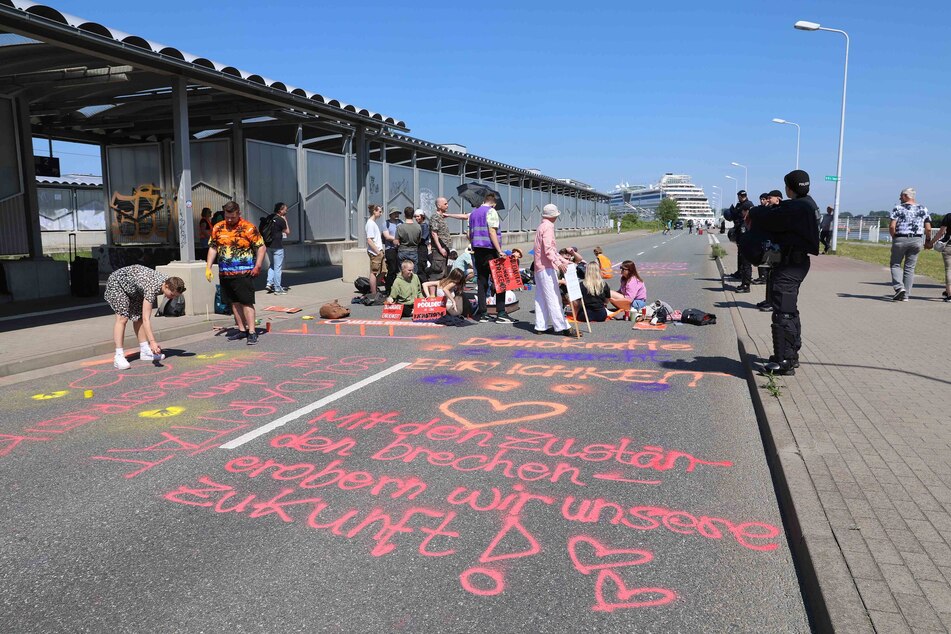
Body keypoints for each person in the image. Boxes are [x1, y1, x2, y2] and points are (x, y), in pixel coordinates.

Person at [749, 170, 819, 375]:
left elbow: (770, 219)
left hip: (791, 265)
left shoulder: (798, 207)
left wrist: (757, 211)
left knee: (783, 312)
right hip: (796, 263)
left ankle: (785, 360)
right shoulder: (808, 204)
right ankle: (790, 353)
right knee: (789, 309)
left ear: (790, 187)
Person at [205, 200, 266, 345]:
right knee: (234, 302)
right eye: (227, 216)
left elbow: (261, 247)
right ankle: (241, 330)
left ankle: (251, 331)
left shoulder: (248, 228)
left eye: (232, 216)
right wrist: (208, 267)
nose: (230, 219)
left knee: (246, 302)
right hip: (225, 273)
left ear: (239, 213)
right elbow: (213, 247)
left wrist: (258, 265)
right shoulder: (218, 227)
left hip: (244, 272)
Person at [444, 193, 511, 323]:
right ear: (494, 203)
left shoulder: (474, 214)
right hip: (490, 250)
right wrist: (499, 250)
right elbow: (492, 231)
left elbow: (469, 235)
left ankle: (483, 313)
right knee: (499, 280)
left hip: (477, 251)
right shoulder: (491, 212)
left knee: (482, 281)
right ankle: (501, 313)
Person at [105, 265, 185, 369]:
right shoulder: (152, 288)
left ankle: (144, 350)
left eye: (175, 296)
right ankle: (118, 356)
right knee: (122, 318)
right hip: (118, 283)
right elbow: (147, 319)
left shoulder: (170, 282)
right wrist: (152, 342)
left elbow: (143, 318)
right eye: (172, 294)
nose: (172, 298)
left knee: (139, 317)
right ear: (166, 286)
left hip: (134, 288)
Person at [533, 204, 573, 336]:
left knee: (541, 297)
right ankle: (563, 326)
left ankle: (540, 325)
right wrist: (558, 262)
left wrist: (563, 260)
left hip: (539, 266)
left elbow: (549, 250)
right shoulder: (549, 227)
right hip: (547, 267)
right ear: (553, 216)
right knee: (554, 297)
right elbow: (549, 249)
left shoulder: (541, 226)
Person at [888, 187, 932, 302]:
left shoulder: (898, 208)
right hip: (916, 240)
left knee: (895, 264)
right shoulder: (923, 208)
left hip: (900, 238)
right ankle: (906, 295)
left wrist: (894, 237)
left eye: (901, 196)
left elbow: (892, 226)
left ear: (906, 196)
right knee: (909, 268)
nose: (899, 198)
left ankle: (899, 287)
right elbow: (928, 228)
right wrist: (928, 240)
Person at [755, 190, 784, 311]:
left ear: (777, 198)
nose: (767, 200)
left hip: (776, 248)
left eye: (769, 198)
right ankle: (768, 300)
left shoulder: (781, 210)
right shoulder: (770, 209)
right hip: (770, 246)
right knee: (769, 275)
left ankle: (772, 303)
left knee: (774, 276)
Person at [724, 190, 754, 292]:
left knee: (746, 263)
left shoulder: (747, 220)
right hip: (742, 238)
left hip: (746, 241)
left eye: (744, 195)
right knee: (742, 259)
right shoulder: (740, 209)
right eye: (741, 195)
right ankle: (743, 280)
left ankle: (746, 285)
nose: (741, 212)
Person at [265, 202, 290, 295]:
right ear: (280, 210)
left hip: (269, 245)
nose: (286, 211)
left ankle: (269, 283)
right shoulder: (280, 220)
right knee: (278, 267)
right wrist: (285, 220)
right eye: (285, 210)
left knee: (272, 265)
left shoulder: (270, 218)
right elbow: (287, 231)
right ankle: (277, 288)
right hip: (278, 247)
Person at [927, 210, 951, 302]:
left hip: (949, 245)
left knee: (949, 269)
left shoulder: (948, 216)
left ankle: (949, 294)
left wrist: (931, 243)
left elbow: (941, 232)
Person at [365, 204, 385, 297]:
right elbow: (369, 240)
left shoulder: (373, 223)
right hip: (375, 252)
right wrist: (377, 252)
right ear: (374, 211)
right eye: (379, 211)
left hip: (379, 251)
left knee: (384, 271)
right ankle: (373, 292)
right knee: (374, 272)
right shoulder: (370, 223)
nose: (381, 213)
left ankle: (374, 288)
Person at [429, 197, 452, 280]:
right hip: (439, 251)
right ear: (439, 205)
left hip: (444, 249)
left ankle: (439, 292)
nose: (447, 206)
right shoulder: (435, 217)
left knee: (443, 273)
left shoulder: (441, 217)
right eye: (445, 204)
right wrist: (440, 248)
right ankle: (432, 292)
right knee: (437, 273)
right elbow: (434, 233)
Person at [395, 206, 421, 274]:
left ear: (404, 215)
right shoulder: (418, 227)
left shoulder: (400, 227)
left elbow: (396, 242)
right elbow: (419, 240)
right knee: (413, 272)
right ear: (413, 215)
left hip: (402, 251)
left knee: (402, 272)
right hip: (414, 250)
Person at [383, 207, 402, 292]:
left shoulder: (401, 223)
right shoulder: (386, 223)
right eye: (395, 213)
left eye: (398, 213)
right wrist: (395, 239)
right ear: (390, 214)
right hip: (390, 249)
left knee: (399, 269)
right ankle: (389, 288)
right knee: (392, 268)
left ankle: (398, 288)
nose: (397, 215)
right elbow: (386, 236)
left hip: (400, 249)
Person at [414, 210, 431, 283]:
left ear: (422, 217)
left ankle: (424, 283)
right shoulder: (418, 226)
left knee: (421, 267)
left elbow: (423, 238)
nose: (416, 218)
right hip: (419, 248)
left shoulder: (425, 226)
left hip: (422, 247)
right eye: (415, 217)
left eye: (418, 216)